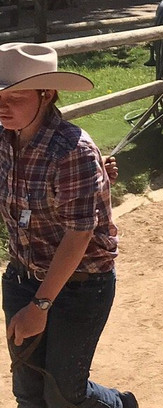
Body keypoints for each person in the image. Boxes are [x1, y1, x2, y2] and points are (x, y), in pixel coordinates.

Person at [0, 42, 137, 408]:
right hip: (21, 277)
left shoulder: (72, 150)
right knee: (27, 392)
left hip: (81, 285)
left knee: (65, 394)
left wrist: (39, 306)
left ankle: (121, 405)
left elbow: (79, 234)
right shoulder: (3, 138)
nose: (2, 106)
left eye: (15, 96)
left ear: (47, 95)